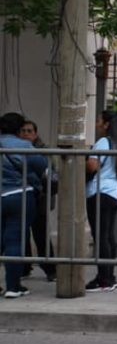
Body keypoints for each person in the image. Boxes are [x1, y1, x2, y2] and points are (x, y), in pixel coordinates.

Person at [2, 112, 47, 298]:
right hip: (19, 195)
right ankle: (13, 287)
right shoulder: (24, 145)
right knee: (15, 240)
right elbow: (43, 167)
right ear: (19, 129)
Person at [86, 110, 117, 293]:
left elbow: (92, 165)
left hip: (100, 191)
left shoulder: (103, 142)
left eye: (99, 120)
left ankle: (104, 278)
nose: (96, 124)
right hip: (114, 191)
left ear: (106, 124)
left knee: (101, 236)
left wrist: (84, 161)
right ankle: (109, 276)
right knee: (108, 235)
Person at [19, 120, 56, 282]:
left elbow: (50, 174)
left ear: (35, 134)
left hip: (40, 197)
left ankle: (50, 269)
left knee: (40, 234)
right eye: (23, 131)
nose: (26, 134)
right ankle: (24, 267)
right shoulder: (16, 149)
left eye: (29, 131)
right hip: (22, 195)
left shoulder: (42, 150)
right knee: (22, 234)